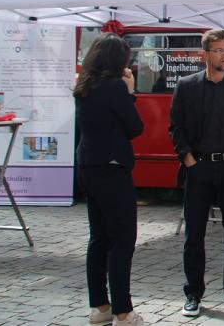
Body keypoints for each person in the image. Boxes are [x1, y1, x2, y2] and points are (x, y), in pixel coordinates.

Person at [169, 29, 224, 317]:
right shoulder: (186, 86)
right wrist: (189, 161)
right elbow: (176, 127)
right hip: (199, 168)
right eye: (218, 50)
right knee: (194, 235)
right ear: (204, 54)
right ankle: (193, 293)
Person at [74, 34, 145, 326]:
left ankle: (100, 306)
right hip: (112, 168)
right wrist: (130, 92)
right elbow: (135, 127)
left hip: (88, 165)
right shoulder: (114, 87)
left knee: (99, 237)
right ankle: (123, 312)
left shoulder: (83, 87)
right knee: (122, 240)